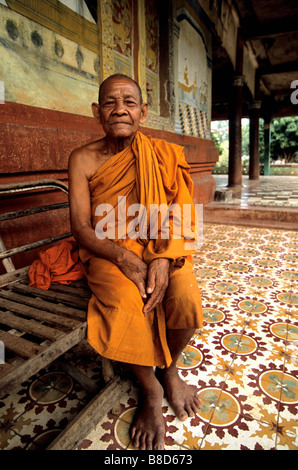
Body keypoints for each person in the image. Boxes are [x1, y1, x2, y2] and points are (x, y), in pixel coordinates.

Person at [68, 74, 203, 450]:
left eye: (129, 102)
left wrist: (162, 257)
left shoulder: (164, 154)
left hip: (159, 241)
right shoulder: (82, 159)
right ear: (98, 112)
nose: (120, 109)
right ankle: (150, 391)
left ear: (143, 112)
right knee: (128, 306)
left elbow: (182, 213)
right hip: (107, 248)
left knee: (185, 297)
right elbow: (80, 226)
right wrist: (122, 256)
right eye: (110, 102)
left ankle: (171, 369)